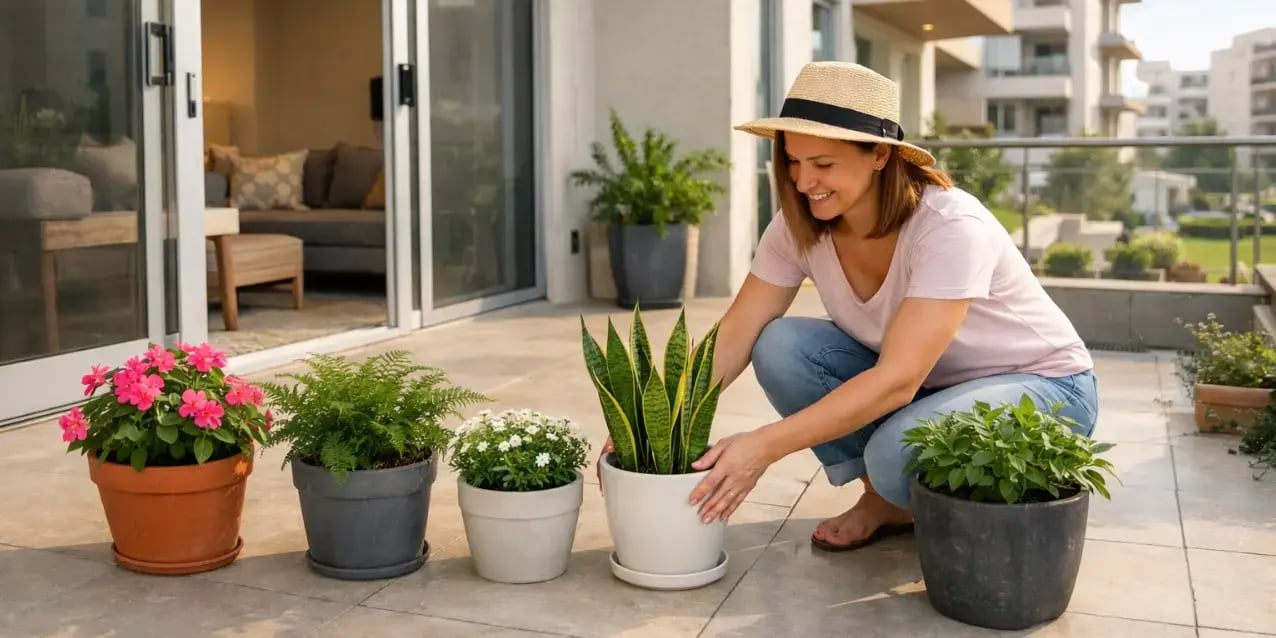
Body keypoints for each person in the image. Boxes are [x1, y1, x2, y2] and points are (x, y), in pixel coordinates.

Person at [597, 62, 1098, 552]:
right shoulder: (798, 226)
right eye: (793, 161)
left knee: (893, 455)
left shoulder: (950, 226)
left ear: (880, 155)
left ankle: (899, 492)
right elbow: (737, 334)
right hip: (934, 386)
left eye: (824, 164)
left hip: (1044, 385)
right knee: (781, 345)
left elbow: (898, 380)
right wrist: (645, 420)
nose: (801, 181)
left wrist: (762, 447)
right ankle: (887, 501)